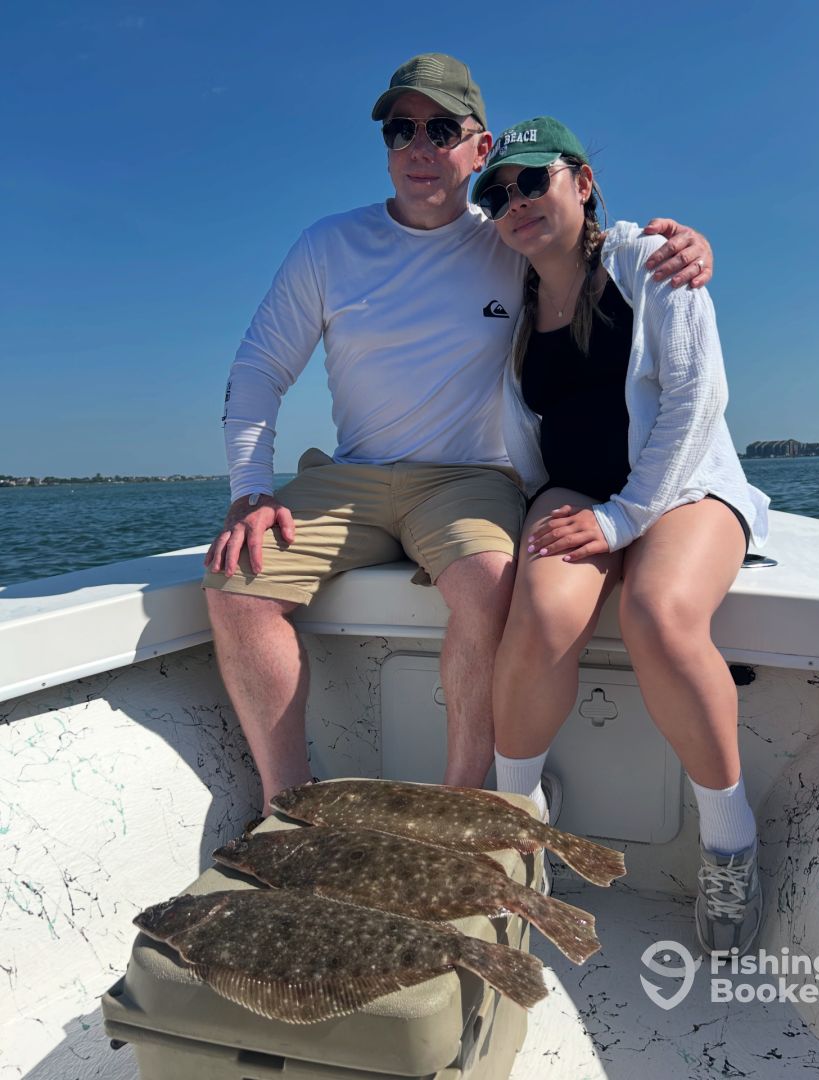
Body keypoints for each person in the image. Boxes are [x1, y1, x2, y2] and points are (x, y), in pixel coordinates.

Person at [201, 54, 714, 817]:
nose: (418, 145)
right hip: (353, 475)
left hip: (469, 478)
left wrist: (686, 246)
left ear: (480, 150)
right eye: (399, 128)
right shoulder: (326, 246)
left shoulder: (509, 233)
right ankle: (288, 808)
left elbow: (592, 239)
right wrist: (250, 490)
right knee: (238, 588)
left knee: (491, 589)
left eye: (442, 128)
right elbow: (258, 368)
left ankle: (461, 803)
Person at [476, 116, 769, 954]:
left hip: (681, 490)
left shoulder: (649, 262)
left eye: (533, 180)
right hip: (573, 491)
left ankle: (728, 840)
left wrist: (624, 519)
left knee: (659, 616)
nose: (514, 202)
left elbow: (694, 399)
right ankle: (516, 817)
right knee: (536, 612)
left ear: (581, 180)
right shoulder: (511, 295)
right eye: (496, 194)